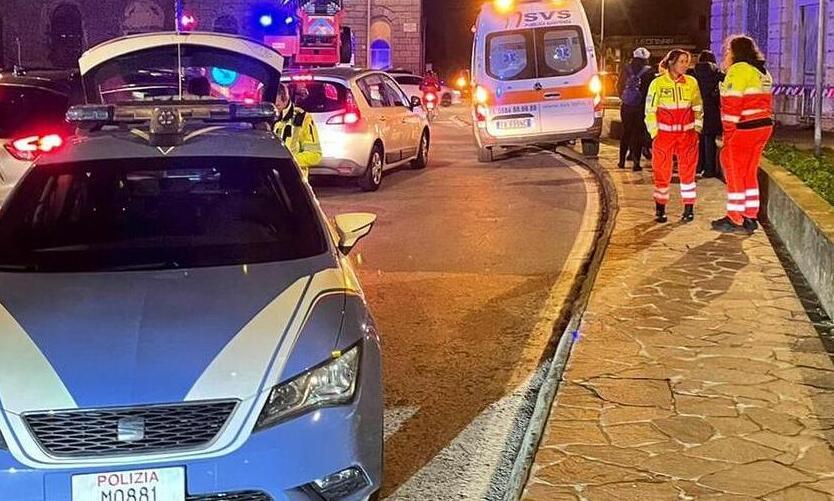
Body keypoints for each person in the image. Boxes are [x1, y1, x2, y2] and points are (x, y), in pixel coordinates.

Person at [711, 35, 774, 234]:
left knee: (734, 171)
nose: (726, 55)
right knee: (749, 171)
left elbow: (732, 105)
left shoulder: (738, 70)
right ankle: (750, 216)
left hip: (744, 128)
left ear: (735, 52)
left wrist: (728, 136)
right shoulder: (762, 72)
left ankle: (734, 217)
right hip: (763, 127)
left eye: (728, 51)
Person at [645, 50, 704, 223]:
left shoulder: (692, 83)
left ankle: (688, 208)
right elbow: (650, 110)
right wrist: (654, 133)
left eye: (687, 61)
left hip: (687, 136)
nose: (686, 65)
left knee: (688, 173)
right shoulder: (657, 84)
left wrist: (697, 130)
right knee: (662, 172)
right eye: (682, 61)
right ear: (671, 62)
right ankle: (660, 209)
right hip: (664, 136)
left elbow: (698, 108)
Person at [273, 83, 322, 181]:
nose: (274, 109)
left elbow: (315, 155)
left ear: (286, 100)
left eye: (277, 105)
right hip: (268, 182)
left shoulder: (302, 118)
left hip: (294, 180)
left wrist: (289, 161)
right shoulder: (261, 118)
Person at [617, 47, 655, 171]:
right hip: (640, 108)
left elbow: (619, 86)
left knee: (626, 132)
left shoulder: (625, 69)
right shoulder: (649, 72)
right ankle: (636, 163)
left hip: (626, 106)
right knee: (638, 134)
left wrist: (624, 98)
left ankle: (621, 161)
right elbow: (651, 91)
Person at [689, 50, 725, 178]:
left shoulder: (693, 74)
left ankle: (699, 166)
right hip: (712, 110)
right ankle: (710, 170)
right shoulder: (718, 74)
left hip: (696, 110)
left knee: (699, 139)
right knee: (710, 138)